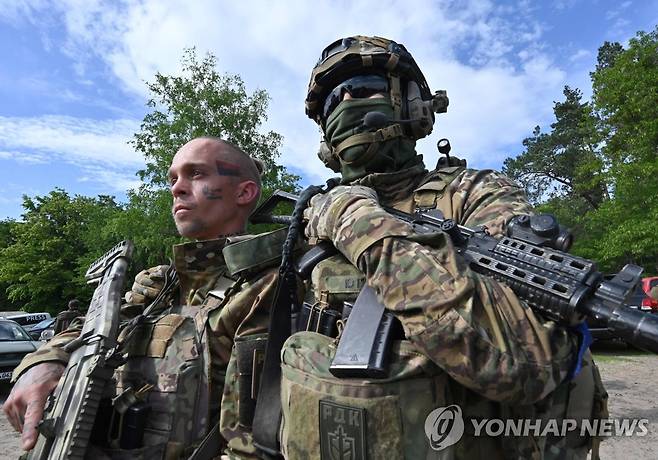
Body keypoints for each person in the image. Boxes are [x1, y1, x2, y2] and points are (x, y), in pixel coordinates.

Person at [231, 36, 607, 459]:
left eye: (367, 86)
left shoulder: (475, 195)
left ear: (412, 105)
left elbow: (525, 361)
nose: (348, 99)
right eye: (335, 97)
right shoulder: (310, 219)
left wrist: (354, 221)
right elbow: (253, 359)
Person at [3, 137, 284, 458]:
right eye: (173, 178)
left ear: (244, 193)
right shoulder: (158, 282)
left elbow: (257, 439)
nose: (177, 188)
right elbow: (91, 329)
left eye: (196, 174)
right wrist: (43, 363)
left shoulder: (267, 285)